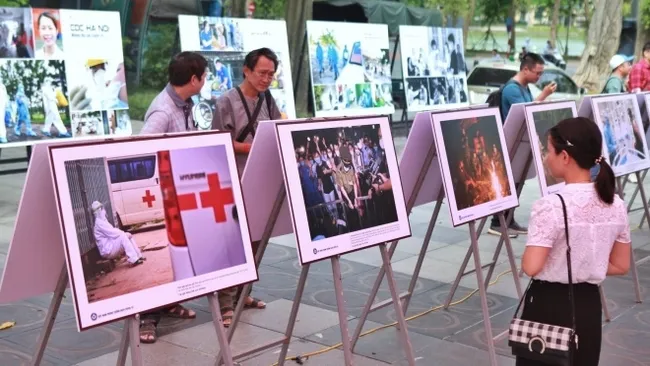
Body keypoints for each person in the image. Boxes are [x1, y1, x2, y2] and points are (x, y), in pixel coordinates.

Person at [519, 117, 630, 366]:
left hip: (549, 304)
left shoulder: (550, 205)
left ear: (565, 157)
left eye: (549, 151)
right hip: (588, 304)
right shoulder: (616, 205)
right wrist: (587, 265)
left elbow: (531, 266)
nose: (546, 158)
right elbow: (621, 265)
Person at [138, 51, 208, 343]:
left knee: (179, 254)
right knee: (164, 259)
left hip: (181, 190)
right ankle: (147, 318)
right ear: (193, 80)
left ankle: (170, 302)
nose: (205, 81)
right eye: (204, 77)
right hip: (164, 193)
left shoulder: (185, 104)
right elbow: (142, 147)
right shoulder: (163, 110)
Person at [212, 47, 283, 326]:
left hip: (260, 178)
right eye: (262, 73)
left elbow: (277, 127)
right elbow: (219, 141)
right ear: (246, 70)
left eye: (271, 74)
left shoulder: (268, 99)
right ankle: (225, 301)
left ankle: (244, 293)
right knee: (233, 241)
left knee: (255, 240)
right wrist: (252, 147)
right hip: (234, 179)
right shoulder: (226, 102)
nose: (267, 79)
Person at [490, 52, 557, 238]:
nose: (539, 77)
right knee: (509, 184)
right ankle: (497, 222)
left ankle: (508, 219)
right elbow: (527, 112)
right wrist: (543, 95)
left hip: (519, 143)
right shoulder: (513, 89)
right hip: (509, 143)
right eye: (537, 72)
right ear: (525, 69)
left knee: (516, 183)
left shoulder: (524, 87)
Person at [91, 201, 145, 266]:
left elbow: (113, 233)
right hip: (108, 251)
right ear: (99, 211)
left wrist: (125, 234)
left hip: (111, 246)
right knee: (123, 236)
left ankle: (138, 256)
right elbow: (113, 233)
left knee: (127, 235)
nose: (103, 211)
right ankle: (133, 260)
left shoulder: (102, 221)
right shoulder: (99, 223)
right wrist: (124, 234)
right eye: (101, 209)